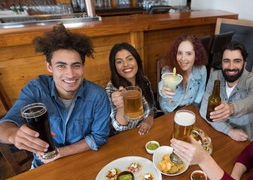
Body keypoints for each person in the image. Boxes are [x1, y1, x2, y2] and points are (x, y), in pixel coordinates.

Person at [0, 24, 110, 168]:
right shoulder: (36, 89)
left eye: (76, 65)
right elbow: (4, 126)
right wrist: (14, 136)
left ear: (83, 66)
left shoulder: (97, 95)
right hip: (43, 164)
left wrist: (60, 152)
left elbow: (99, 137)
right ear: (49, 66)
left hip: (84, 160)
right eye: (61, 66)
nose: (70, 74)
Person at [200, 42, 253, 141]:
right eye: (226, 61)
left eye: (237, 61)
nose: (231, 67)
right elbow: (204, 109)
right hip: (218, 131)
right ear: (221, 63)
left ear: (244, 64)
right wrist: (228, 130)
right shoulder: (215, 76)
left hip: (243, 139)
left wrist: (232, 108)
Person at [105, 43, 157, 135]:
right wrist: (121, 107)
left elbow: (152, 107)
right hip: (126, 139)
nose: (126, 64)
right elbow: (118, 127)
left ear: (137, 60)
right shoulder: (111, 88)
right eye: (119, 62)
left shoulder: (144, 80)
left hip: (148, 133)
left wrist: (150, 118)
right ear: (114, 67)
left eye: (130, 59)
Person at [158, 35, 208, 113]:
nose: (183, 58)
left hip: (190, 107)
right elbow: (162, 84)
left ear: (196, 55)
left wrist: (194, 107)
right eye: (179, 53)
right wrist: (163, 90)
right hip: (170, 110)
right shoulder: (169, 69)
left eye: (188, 53)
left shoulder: (202, 70)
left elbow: (201, 92)